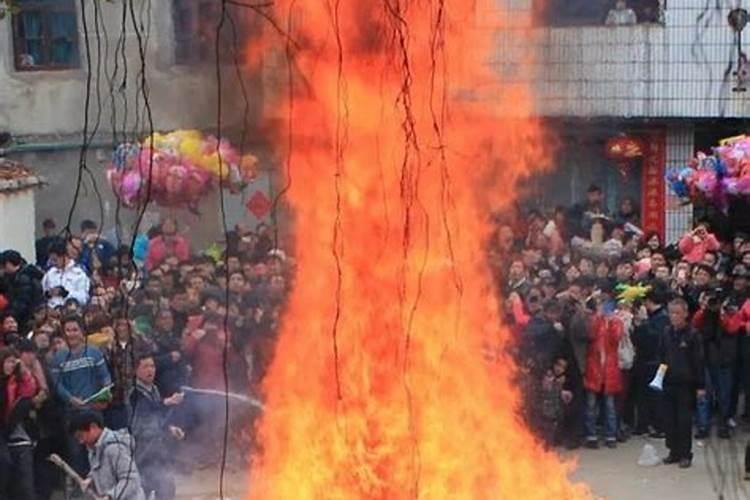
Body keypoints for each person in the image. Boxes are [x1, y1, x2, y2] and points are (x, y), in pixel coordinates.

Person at [49, 315, 112, 477]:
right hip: (72, 412)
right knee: (76, 454)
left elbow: (104, 376)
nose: (71, 334)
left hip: (93, 410)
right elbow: (57, 385)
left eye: (75, 330)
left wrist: (105, 390)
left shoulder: (94, 352)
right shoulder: (58, 357)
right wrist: (70, 399)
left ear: (82, 331)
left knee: (99, 451)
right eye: (68, 330)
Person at [129, 354, 185, 500]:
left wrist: (170, 429)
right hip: (141, 448)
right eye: (145, 366)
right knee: (142, 488)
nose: (150, 370)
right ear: (136, 370)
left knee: (166, 486)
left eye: (152, 366)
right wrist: (166, 402)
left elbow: (157, 418)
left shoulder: (153, 389)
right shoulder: (132, 392)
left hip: (157, 447)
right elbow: (144, 412)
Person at [660, 298, 705, 468]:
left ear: (685, 314)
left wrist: (700, 386)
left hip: (686, 384)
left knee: (683, 421)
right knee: (669, 420)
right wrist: (659, 377)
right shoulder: (666, 332)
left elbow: (698, 362)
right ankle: (673, 451)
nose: (674, 316)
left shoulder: (693, 335)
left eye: (678, 313)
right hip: (668, 382)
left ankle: (686, 454)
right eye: (671, 313)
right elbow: (662, 356)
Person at [69, 410, 146, 500]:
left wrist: (110, 497)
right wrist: (90, 479)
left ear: (93, 427)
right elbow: (99, 470)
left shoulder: (115, 447)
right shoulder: (92, 449)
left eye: (81, 436)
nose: (81, 442)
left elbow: (130, 480)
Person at [583, 304, 624, 449]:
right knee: (591, 405)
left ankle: (610, 435)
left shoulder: (617, 322)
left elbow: (616, 338)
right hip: (594, 367)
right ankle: (591, 435)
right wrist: (598, 318)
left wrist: (611, 321)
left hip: (609, 369)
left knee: (610, 405)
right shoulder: (594, 320)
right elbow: (590, 335)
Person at [0, 250, 44, 329]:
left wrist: (7, 315)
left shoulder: (24, 279)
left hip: (26, 319)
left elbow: (22, 302)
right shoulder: (14, 277)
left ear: (9, 264)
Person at [41, 241, 90, 309]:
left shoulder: (79, 274)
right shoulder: (49, 274)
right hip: (51, 312)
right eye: (51, 260)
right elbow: (43, 294)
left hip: (70, 312)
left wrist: (66, 293)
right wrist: (48, 294)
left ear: (64, 256)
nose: (53, 263)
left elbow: (84, 298)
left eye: (55, 260)